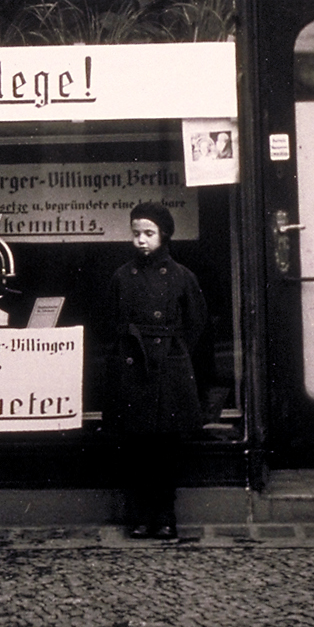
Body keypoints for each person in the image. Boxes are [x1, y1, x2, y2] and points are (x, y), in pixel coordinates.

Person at [106, 201, 208, 539]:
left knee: (165, 449)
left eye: (149, 233)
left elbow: (196, 324)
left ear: (164, 235)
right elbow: (111, 322)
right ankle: (139, 515)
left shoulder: (181, 276)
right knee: (136, 449)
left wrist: (174, 355)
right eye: (136, 233)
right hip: (133, 369)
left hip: (167, 369)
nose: (141, 240)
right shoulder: (122, 276)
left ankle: (165, 516)